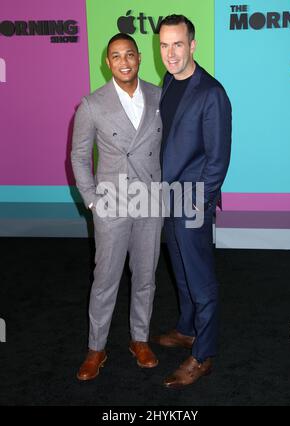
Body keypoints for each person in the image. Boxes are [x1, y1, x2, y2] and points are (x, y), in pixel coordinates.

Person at [71, 33, 162, 381]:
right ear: (107, 63)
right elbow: (79, 156)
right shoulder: (92, 105)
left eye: (129, 55)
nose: (124, 62)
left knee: (145, 277)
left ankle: (139, 339)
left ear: (139, 58)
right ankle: (96, 348)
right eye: (116, 56)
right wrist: (92, 199)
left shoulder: (157, 96)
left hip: (150, 202)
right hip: (112, 204)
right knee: (105, 279)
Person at [152, 15, 232, 388]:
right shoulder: (168, 81)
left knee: (200, 280)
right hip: (166, 198)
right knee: (180, 271)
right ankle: (187, 329)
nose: (170, 53)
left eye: (178, 44)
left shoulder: (212, 93)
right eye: (164, 45)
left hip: (192, 201)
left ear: (192, 45)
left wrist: (199, 205)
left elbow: (217, 160)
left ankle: (204, 354)